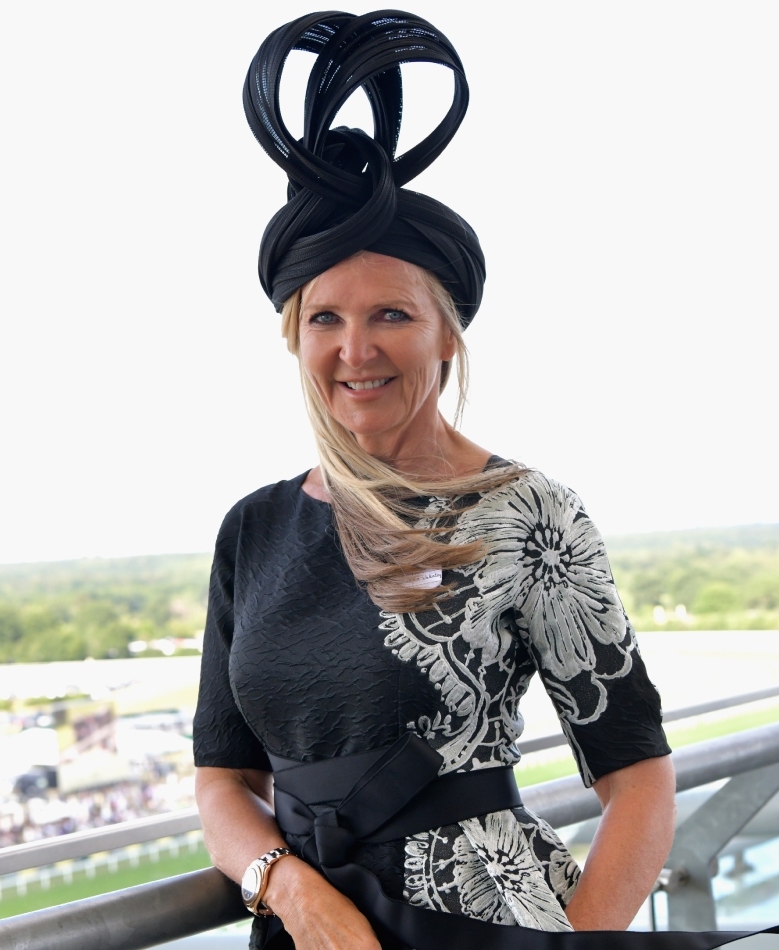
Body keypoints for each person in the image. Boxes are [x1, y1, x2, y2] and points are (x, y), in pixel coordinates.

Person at [193, 11, 676, 950]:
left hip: (489, 928)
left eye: (391, 315)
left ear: (448, 331)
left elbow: (639, 779)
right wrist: (290, 892)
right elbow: (223, 781)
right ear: (294, 335)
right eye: (325, 317)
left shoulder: (528, 512)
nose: (355, 349)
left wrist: (571, 945)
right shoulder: (251, 529)